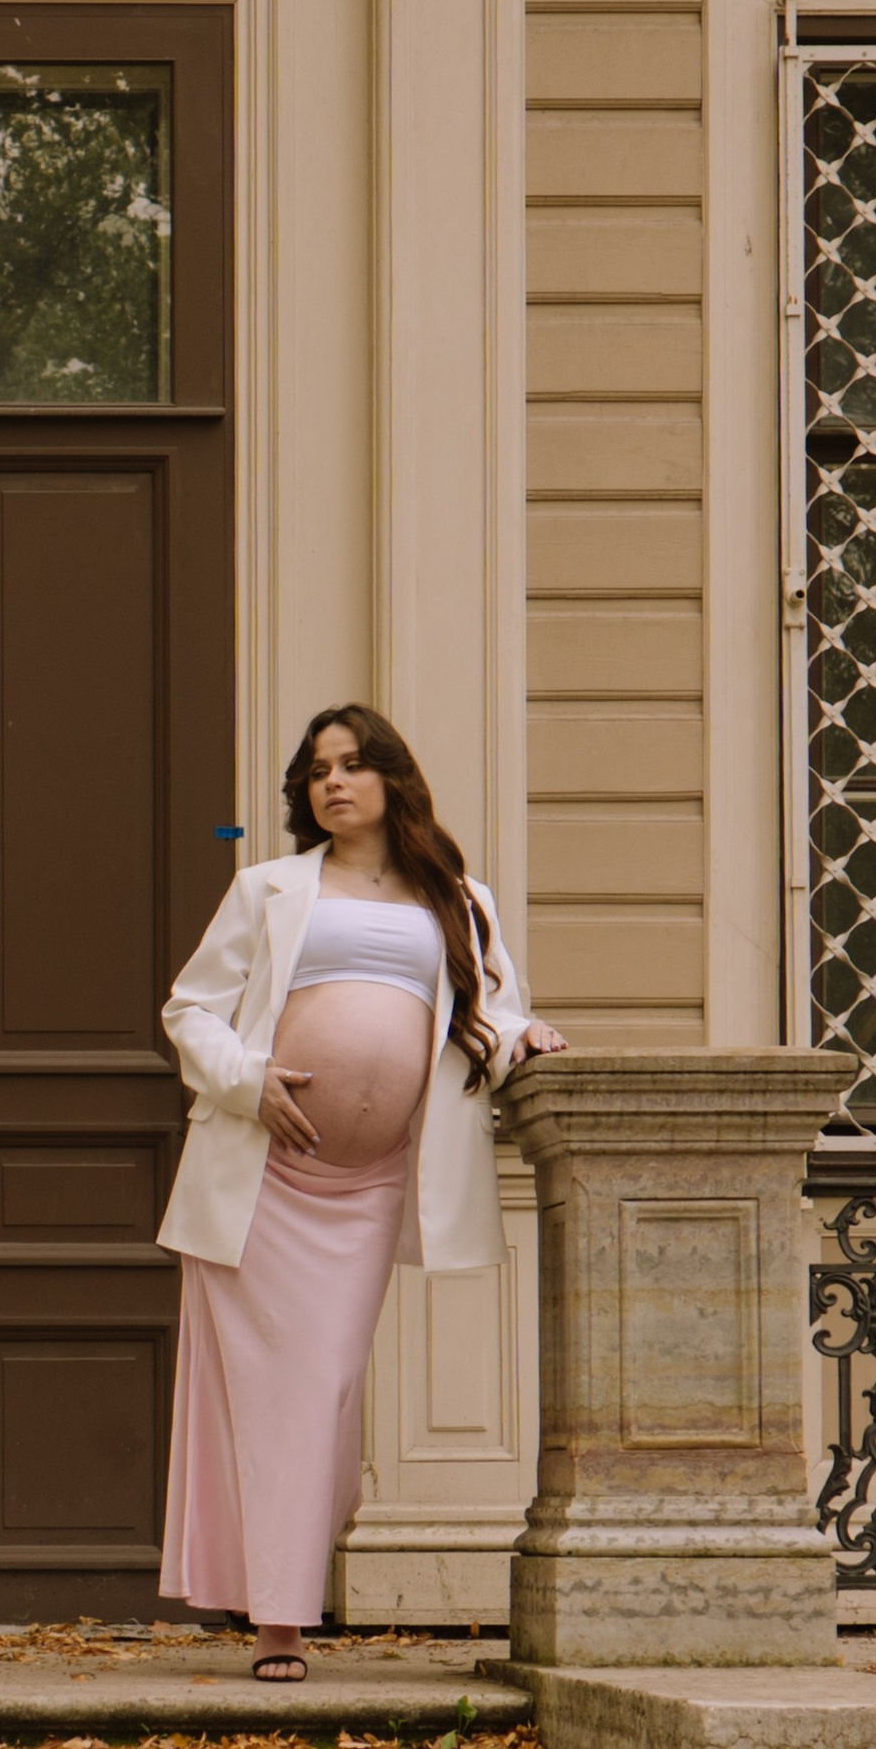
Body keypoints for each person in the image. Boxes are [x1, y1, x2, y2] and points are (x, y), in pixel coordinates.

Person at [155, 704, 566, 1682]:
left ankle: (282, 1577)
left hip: (369, 1184)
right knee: (277, 1394)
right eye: (316, 771)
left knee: (324, 1387)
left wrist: (526, 1039)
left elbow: (489, 1014)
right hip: (265, 1180)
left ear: (390, 777)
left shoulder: (458, 900)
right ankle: (280, 1624)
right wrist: (249, 1082)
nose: (332, 783)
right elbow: (189, 1009)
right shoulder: (267, 889)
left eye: (351, 765)